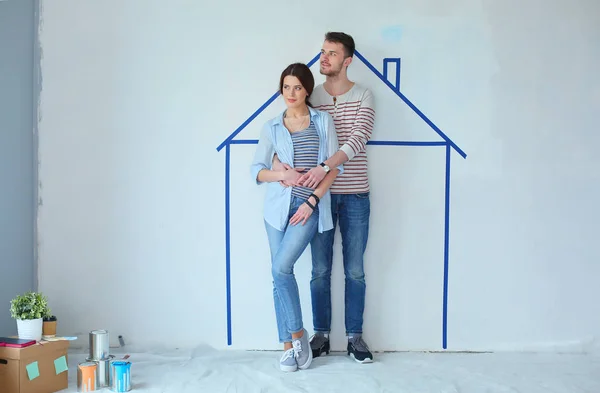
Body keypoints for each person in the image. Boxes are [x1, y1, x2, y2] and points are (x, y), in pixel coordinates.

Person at [273, 32, 376, 363]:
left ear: (347, 61)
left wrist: (323, 166)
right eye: (322, 52)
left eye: (331, 53)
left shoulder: (364, 95)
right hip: (322, 199)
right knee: (319, 270)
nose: (324, 58)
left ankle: (355, 338)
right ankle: (320, 335)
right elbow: (286, 134)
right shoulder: (309, 96)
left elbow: (358, 140)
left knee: (355, 270)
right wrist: (280, 167)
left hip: (356, 195)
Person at [250, 62, 343, 372]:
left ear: (307, 90)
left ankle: (299, 335)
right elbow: (256, 171)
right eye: (286, 87)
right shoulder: (272, 126)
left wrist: (312, 203)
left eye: (298, 87)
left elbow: (333, 168)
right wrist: (282, 174)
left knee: (281, 267)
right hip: (277, 210)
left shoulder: (322, 121)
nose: (291, 93)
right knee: (279, 276)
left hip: (309, 208)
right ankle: (289, 346)